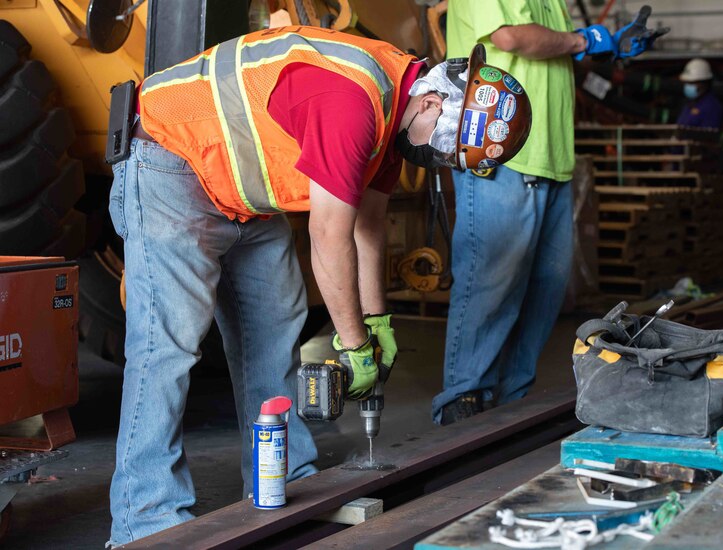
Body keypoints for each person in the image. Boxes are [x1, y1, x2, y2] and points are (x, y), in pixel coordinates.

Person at [106, 26, 531, 545]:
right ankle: (145, 522)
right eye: (443, 153)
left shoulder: (398, 102)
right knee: (167, 348)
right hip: (170, 160)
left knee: (275, 333)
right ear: (434, 101)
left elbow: (369, 225)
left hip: (242, 191)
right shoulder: (354, 104)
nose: (438, 163)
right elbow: (329, 237)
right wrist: (353, 348)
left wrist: (377, 324)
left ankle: (284, 482)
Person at [434, 1, 666, 425]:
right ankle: (462, 402)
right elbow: (510, 38)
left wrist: (605, 46)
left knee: (545, 289)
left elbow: (551, 59)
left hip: (551, 157)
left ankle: (512, 400)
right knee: (491, 283)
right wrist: (583, 39)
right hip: (500, 154)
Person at [676, 58, 723, 130]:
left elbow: (707, 136)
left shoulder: (710, 106)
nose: (688, 86)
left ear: (705, 83)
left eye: (692, 83)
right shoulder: (690, 105)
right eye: (687, 83)